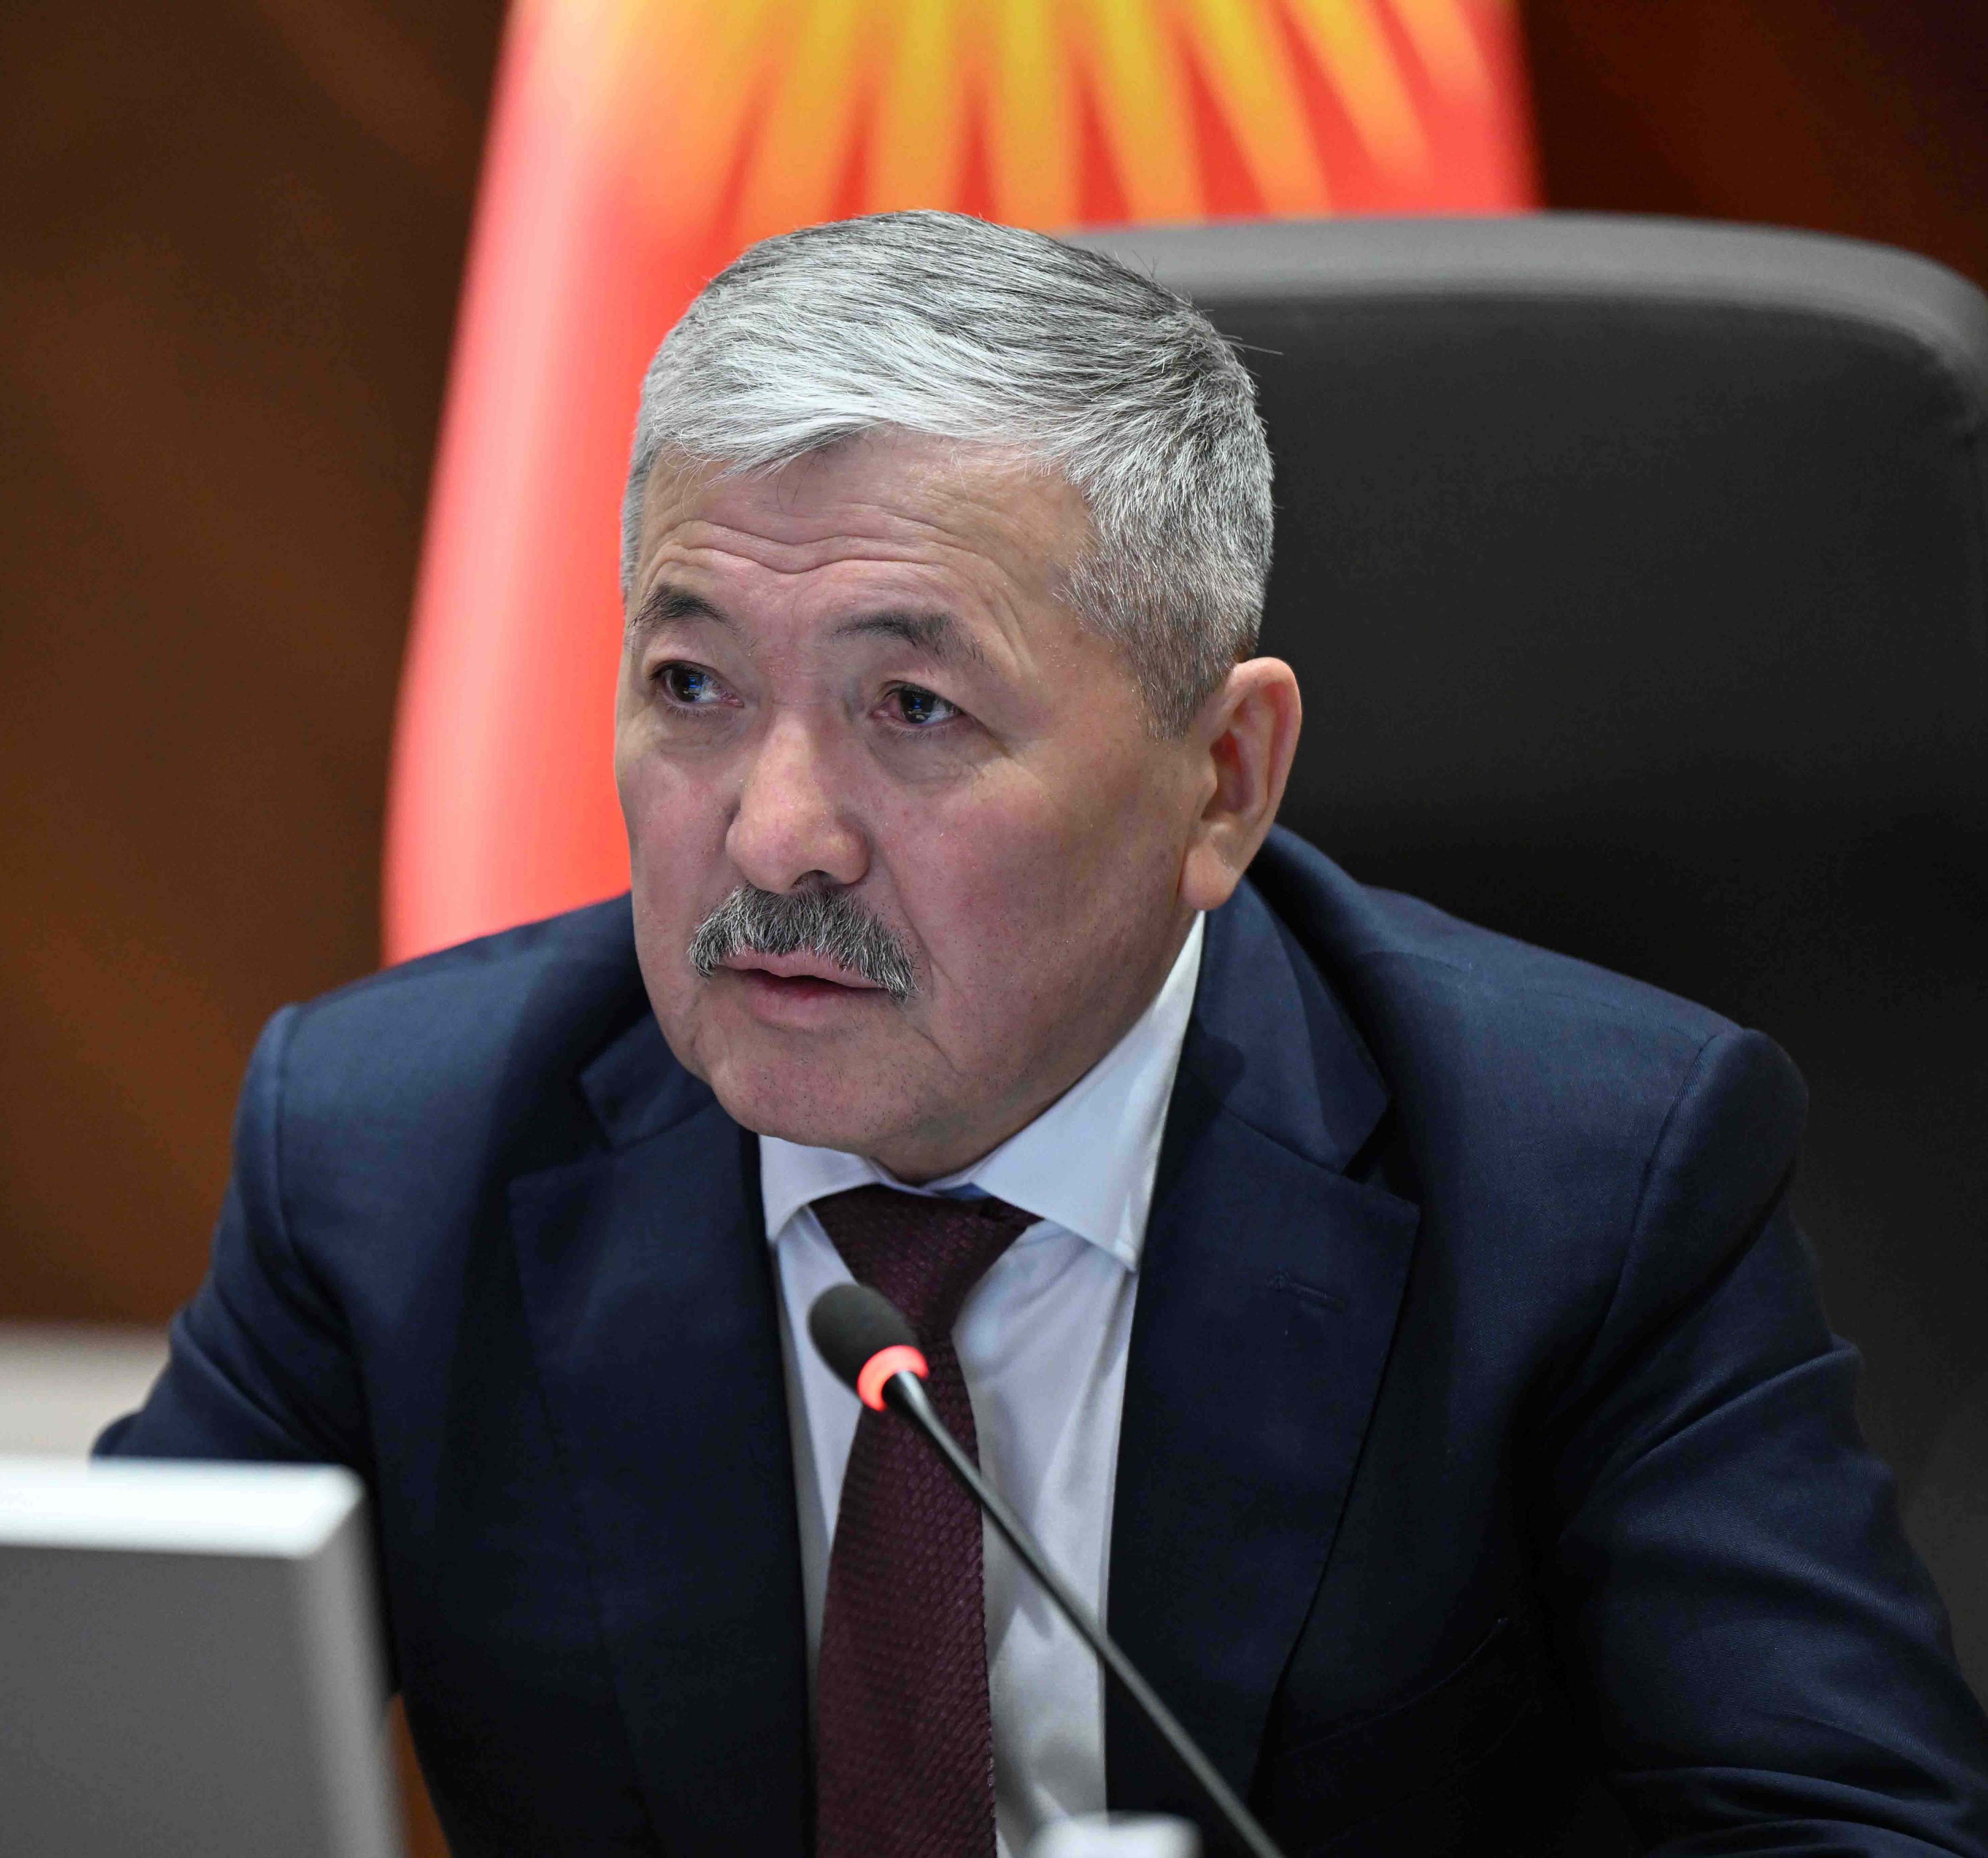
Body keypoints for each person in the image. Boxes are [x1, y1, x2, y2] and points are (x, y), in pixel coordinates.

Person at [97, 210, 1988, 1857]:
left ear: (1223, 779)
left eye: (914, 709)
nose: (773, 835)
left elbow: (1853, 1827)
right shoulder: (389, 1156)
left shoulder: (1587, 1185)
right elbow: (73, 1768)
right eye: (692, 685)